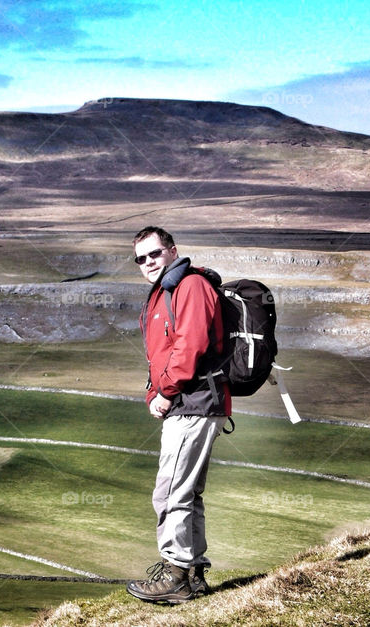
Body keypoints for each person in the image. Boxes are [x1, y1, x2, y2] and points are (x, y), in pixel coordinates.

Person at [126, 226, 230, 604]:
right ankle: (192, 573)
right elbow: (166, 351)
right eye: (141, 258)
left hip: (194, 401)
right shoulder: (166, 290)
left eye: (154, 253)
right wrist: (154, 391)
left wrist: (165, 393)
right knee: (187, 491)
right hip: (192, 401)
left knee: (170, 491)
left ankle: (174, 576)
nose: (148, 262)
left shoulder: (190, 286)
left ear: (172, 250)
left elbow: (190, 347)